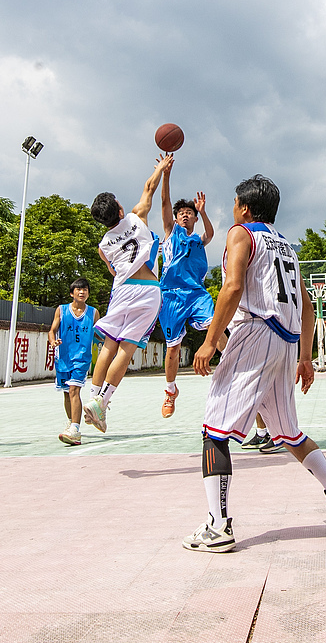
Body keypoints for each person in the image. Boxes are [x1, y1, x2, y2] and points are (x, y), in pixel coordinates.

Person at [183, 175, 326, 553]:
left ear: (244, 208)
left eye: (234, 203)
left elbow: (231, 287)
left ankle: (218, 526)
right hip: (286, 341)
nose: (232, 209)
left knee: (214, 432)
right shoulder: (288, 248)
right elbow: (308, 307)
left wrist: (211, 339)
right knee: (287, 433)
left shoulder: (241, 233)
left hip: (255, 334)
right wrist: (306, 356)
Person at [82, 154, 173, 432]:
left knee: (109, 345)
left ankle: (94, 399)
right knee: (127, 348)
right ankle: (103, 402)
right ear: (120, 209)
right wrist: (161, 167)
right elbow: (149, 188)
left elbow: (111, 270)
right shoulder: (136, 217)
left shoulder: (103, 245)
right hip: (147, 291)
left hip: (121, 290)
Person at [156, 159, 220, 418]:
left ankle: (233, 362)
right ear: (175, 217)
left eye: (189, 212)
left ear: (194, 217)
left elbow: (211, 234)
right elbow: (163, 203)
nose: (184, 214)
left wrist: (203, 212)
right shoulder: (171, 232)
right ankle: (170, 391)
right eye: (181, 211)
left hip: (196, 294)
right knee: (172, 348)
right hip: (170, 296)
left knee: (215, 324)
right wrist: (166, 175)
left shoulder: (198, 239)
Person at [50, 277, 100, 445]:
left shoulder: (93, 313)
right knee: (66, 392)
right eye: (78, 289)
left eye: (85, 289)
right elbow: (52, 330)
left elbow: (100, 333)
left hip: (82, 358)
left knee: (74, 390)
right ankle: (72, 422)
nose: (82, 292)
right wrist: (53, 341)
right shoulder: (61, 310)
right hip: (63, 357)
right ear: (72, 293)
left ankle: (75, 429)